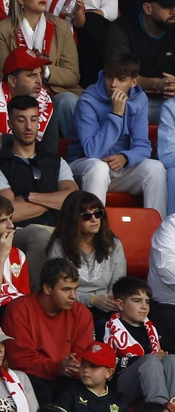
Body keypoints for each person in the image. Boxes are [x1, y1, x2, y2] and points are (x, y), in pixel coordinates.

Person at [71, 51, 169, 211]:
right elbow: (92, 151)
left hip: (119, 167)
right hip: (84, 166)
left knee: (156, 169)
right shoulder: (87, 100)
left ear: (133, 82)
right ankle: (94, 232)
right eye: (109, 77)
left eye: (121, 79)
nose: (113, 84)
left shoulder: (140, 99)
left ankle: (157, 233)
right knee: (99, 168)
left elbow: (143, 145)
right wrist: (116, 115)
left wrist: (126, 157)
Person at [4, 258, 97, 404]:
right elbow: (20, 360)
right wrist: (56, 367)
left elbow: (83, 355)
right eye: (66, 289)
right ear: (47, 288)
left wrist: (73, 366)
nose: (73, 296)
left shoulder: (81, 313)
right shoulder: (19, 310)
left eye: (75, 289)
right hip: (33, 378)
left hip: (69, 377)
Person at [44, 191, 126, 314]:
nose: (94, 219)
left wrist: (109, 301)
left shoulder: (113, 244)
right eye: (86, 216)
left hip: (107, 307)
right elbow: (58, 289)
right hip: (70, 308)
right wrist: (92, 300)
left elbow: (118, 283)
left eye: (98, 214)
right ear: (72, 220)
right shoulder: (60, 246)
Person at [102, 276, 175, 406]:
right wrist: (146, 359)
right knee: (150, 361)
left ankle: (172, 405)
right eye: (137, 301)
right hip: (119, 384)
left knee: (171, 360)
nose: (144, 307)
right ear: (120, 304)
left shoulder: (152, 327)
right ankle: (158, 407)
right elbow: (103, 364)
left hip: (151, 379)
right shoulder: (107, 327)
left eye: (147, 302)